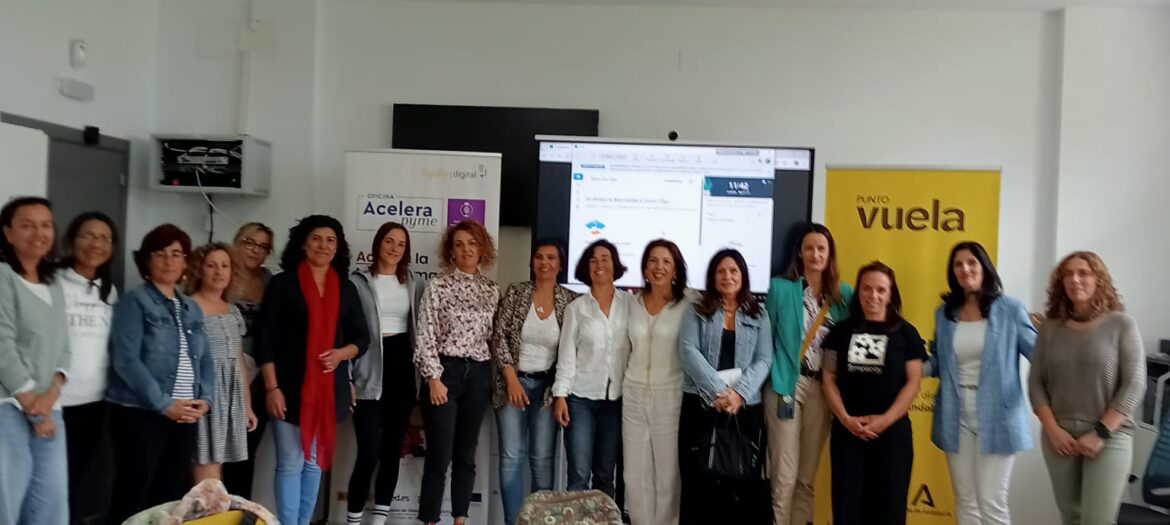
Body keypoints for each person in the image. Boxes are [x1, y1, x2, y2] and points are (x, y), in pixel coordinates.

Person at [256, 215, 369, 525]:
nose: (323, 245)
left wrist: (341, 354)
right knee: (290, 462)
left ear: (338, 248)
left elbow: (362, 338)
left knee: (313, 463)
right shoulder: (283, 283)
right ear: (303, 244)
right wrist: (271, 388)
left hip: (328, 391)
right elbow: (264, 339)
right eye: (316, 239)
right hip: (287, 388)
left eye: (331, 240)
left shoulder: (346, 288)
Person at [106, 224, 214, 525]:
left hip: (185, 413)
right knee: (134, 492)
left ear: (185, 262)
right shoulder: (134, 301)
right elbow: (126, 361)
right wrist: (164, 404)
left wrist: (205, 399)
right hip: (141, 412)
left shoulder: (191, 307)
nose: (169, 260)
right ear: (146, 260)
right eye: (160, 253)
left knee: (170, 495)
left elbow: (205, 358)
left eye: (176, 254)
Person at [1029, 251, 1145, 525]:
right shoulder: (1050, 329)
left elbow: (1134, 383)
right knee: (1071, 517)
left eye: (1084, 273)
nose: (1075, 279)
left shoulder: (1121, 324)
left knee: (1097, 520)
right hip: (1060, 438)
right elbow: (1035, 383)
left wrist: (1101, 432)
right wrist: (1053, 430)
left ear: (1099, 279)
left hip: (1110, 437)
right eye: (1068, 274)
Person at [928, 242, 1036, 525]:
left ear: (984, 267)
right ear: (953, 272)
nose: (965, 269)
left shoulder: (1011, 309)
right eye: (958, 264)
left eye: (971, 263)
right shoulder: (944, 313)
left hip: (999, 416)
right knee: (965, 500)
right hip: (955, 414)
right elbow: (937, 362)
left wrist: (1053, 333)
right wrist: (906, 366)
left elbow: (1038, 355)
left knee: (992, 501)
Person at [821, 261, 924, 525]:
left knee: (889, 511)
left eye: (881, 290)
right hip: (848, 435)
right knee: (847, 511)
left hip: (892, 437)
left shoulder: (907, 334)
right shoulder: (839, 332)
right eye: (866, 289)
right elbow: (828, 378)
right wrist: (846, 419)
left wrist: (885, 420)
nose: (873, 295)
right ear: (858, 292)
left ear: (891, 294)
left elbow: (913, 382)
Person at [763, 223, 852, 525]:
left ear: (830, 254)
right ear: (799, 253)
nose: (815, 254)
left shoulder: (843, 295)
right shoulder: (780, 288)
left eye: (821, 249)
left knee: (805, 478)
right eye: (809, 248)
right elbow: (766, 340)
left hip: (822, 388)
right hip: (785, 385)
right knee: (784, 476)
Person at [677, 249, 772, 525]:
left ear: (743, 276)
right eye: (721, 271)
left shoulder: (759, 314)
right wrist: (719, 392)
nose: (727, 276)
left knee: (740, 484)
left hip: (744, 409)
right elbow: (688, 350)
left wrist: (738, 394)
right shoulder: (696, 310)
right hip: (701, 405)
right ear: (712, 276)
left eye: (733, 271)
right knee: (698, 483)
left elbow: (764, 359)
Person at [414, 220, 500, 525]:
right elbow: (425, 334)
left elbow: (494, 339)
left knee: (466, 454)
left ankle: (460, 519)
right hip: (444, 374)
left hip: (478, 375)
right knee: (439, 456)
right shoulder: (438, 286)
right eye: (460, 244)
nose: (466, 250)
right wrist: (433, 378)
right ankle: (430, 520)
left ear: (482, 249)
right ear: (451, 251)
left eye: (472, 244)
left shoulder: (491, 290)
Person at [491, 239, 577, 525]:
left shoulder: (570, 300)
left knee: (542, 460)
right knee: (511, 457)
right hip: (512, 384)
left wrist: (559, 391)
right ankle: (513, 521)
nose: (544, 262)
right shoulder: (516, 292)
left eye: (551, 258)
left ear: (560, 264)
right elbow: (499, 336)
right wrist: (511, 379)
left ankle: (540, 521)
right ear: (532, 262)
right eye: (539, 257)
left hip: (548, 391)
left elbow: (571, 350)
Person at [347, 222, 425, 525]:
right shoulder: (357, 282)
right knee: (368, 452)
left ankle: (378, 521)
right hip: (368, 370)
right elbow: (346, 332)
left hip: (402, 370)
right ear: (378, 243)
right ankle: (353, 520)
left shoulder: (414, 283)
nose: (394, 248)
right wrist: (348, 377)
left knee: (392, 449)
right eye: (389, 241)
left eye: (401, 244)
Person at [0, 197, 70, 525]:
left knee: (51, 503)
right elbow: (2, 343)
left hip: (48, 407)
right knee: (7, 501)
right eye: (27, 225)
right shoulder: (3, 276)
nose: (38, 233)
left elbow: (64, 346)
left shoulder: (53, 283)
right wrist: (32, 404)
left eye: (46, 225)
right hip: (8, 407)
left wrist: (51, 395)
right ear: (8, 233)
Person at [551, 239, 635, 499]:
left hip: (616, 401)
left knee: (605, 474)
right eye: (593, 260)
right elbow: (566, 355)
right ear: (586, 268)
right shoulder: (576, 309)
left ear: (615, 265)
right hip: (580, 400)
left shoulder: (631, 304)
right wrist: (560, 396)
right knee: (579, 474)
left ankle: (603, 518)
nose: (599, 264)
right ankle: (577, 517)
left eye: (605, 259)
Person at [623, 239, 696, 525]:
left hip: (670, 394)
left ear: (676, 269)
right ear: (644, 268)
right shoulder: (631, 302)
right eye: (653, 261)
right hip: (634, 392)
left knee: (667, 473)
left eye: (666, 262)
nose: (659, 267)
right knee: (634, 473)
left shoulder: (689, 303)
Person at [57, 211, 119, 524]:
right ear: (71, 240)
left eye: (104, 238)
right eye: (88, 235)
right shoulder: (53, 280)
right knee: (52, 480)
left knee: (78, 477)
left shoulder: (109, 290)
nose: (96, 243)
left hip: (94, 401)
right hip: (54, 402)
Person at [187, 243, 257, 482]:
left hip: (230, 397)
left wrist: (246, 406)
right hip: (204, 395)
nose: (219, 272)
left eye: (225, 266)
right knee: (206, 471)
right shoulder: (189, 307)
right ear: (199, 270)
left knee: (219, 468)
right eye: (211, 265)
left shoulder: (232, 311)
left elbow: (239, 362)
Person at [221, 222, 275, 498]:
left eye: (263, 246)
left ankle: (240, 511)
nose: (256, 250)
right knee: (213, 452)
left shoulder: (269, 280)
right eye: (249, 242)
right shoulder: (220, 272)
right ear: (236, 241)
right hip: (221, 376)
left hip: (258, 380)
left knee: (246, 451)